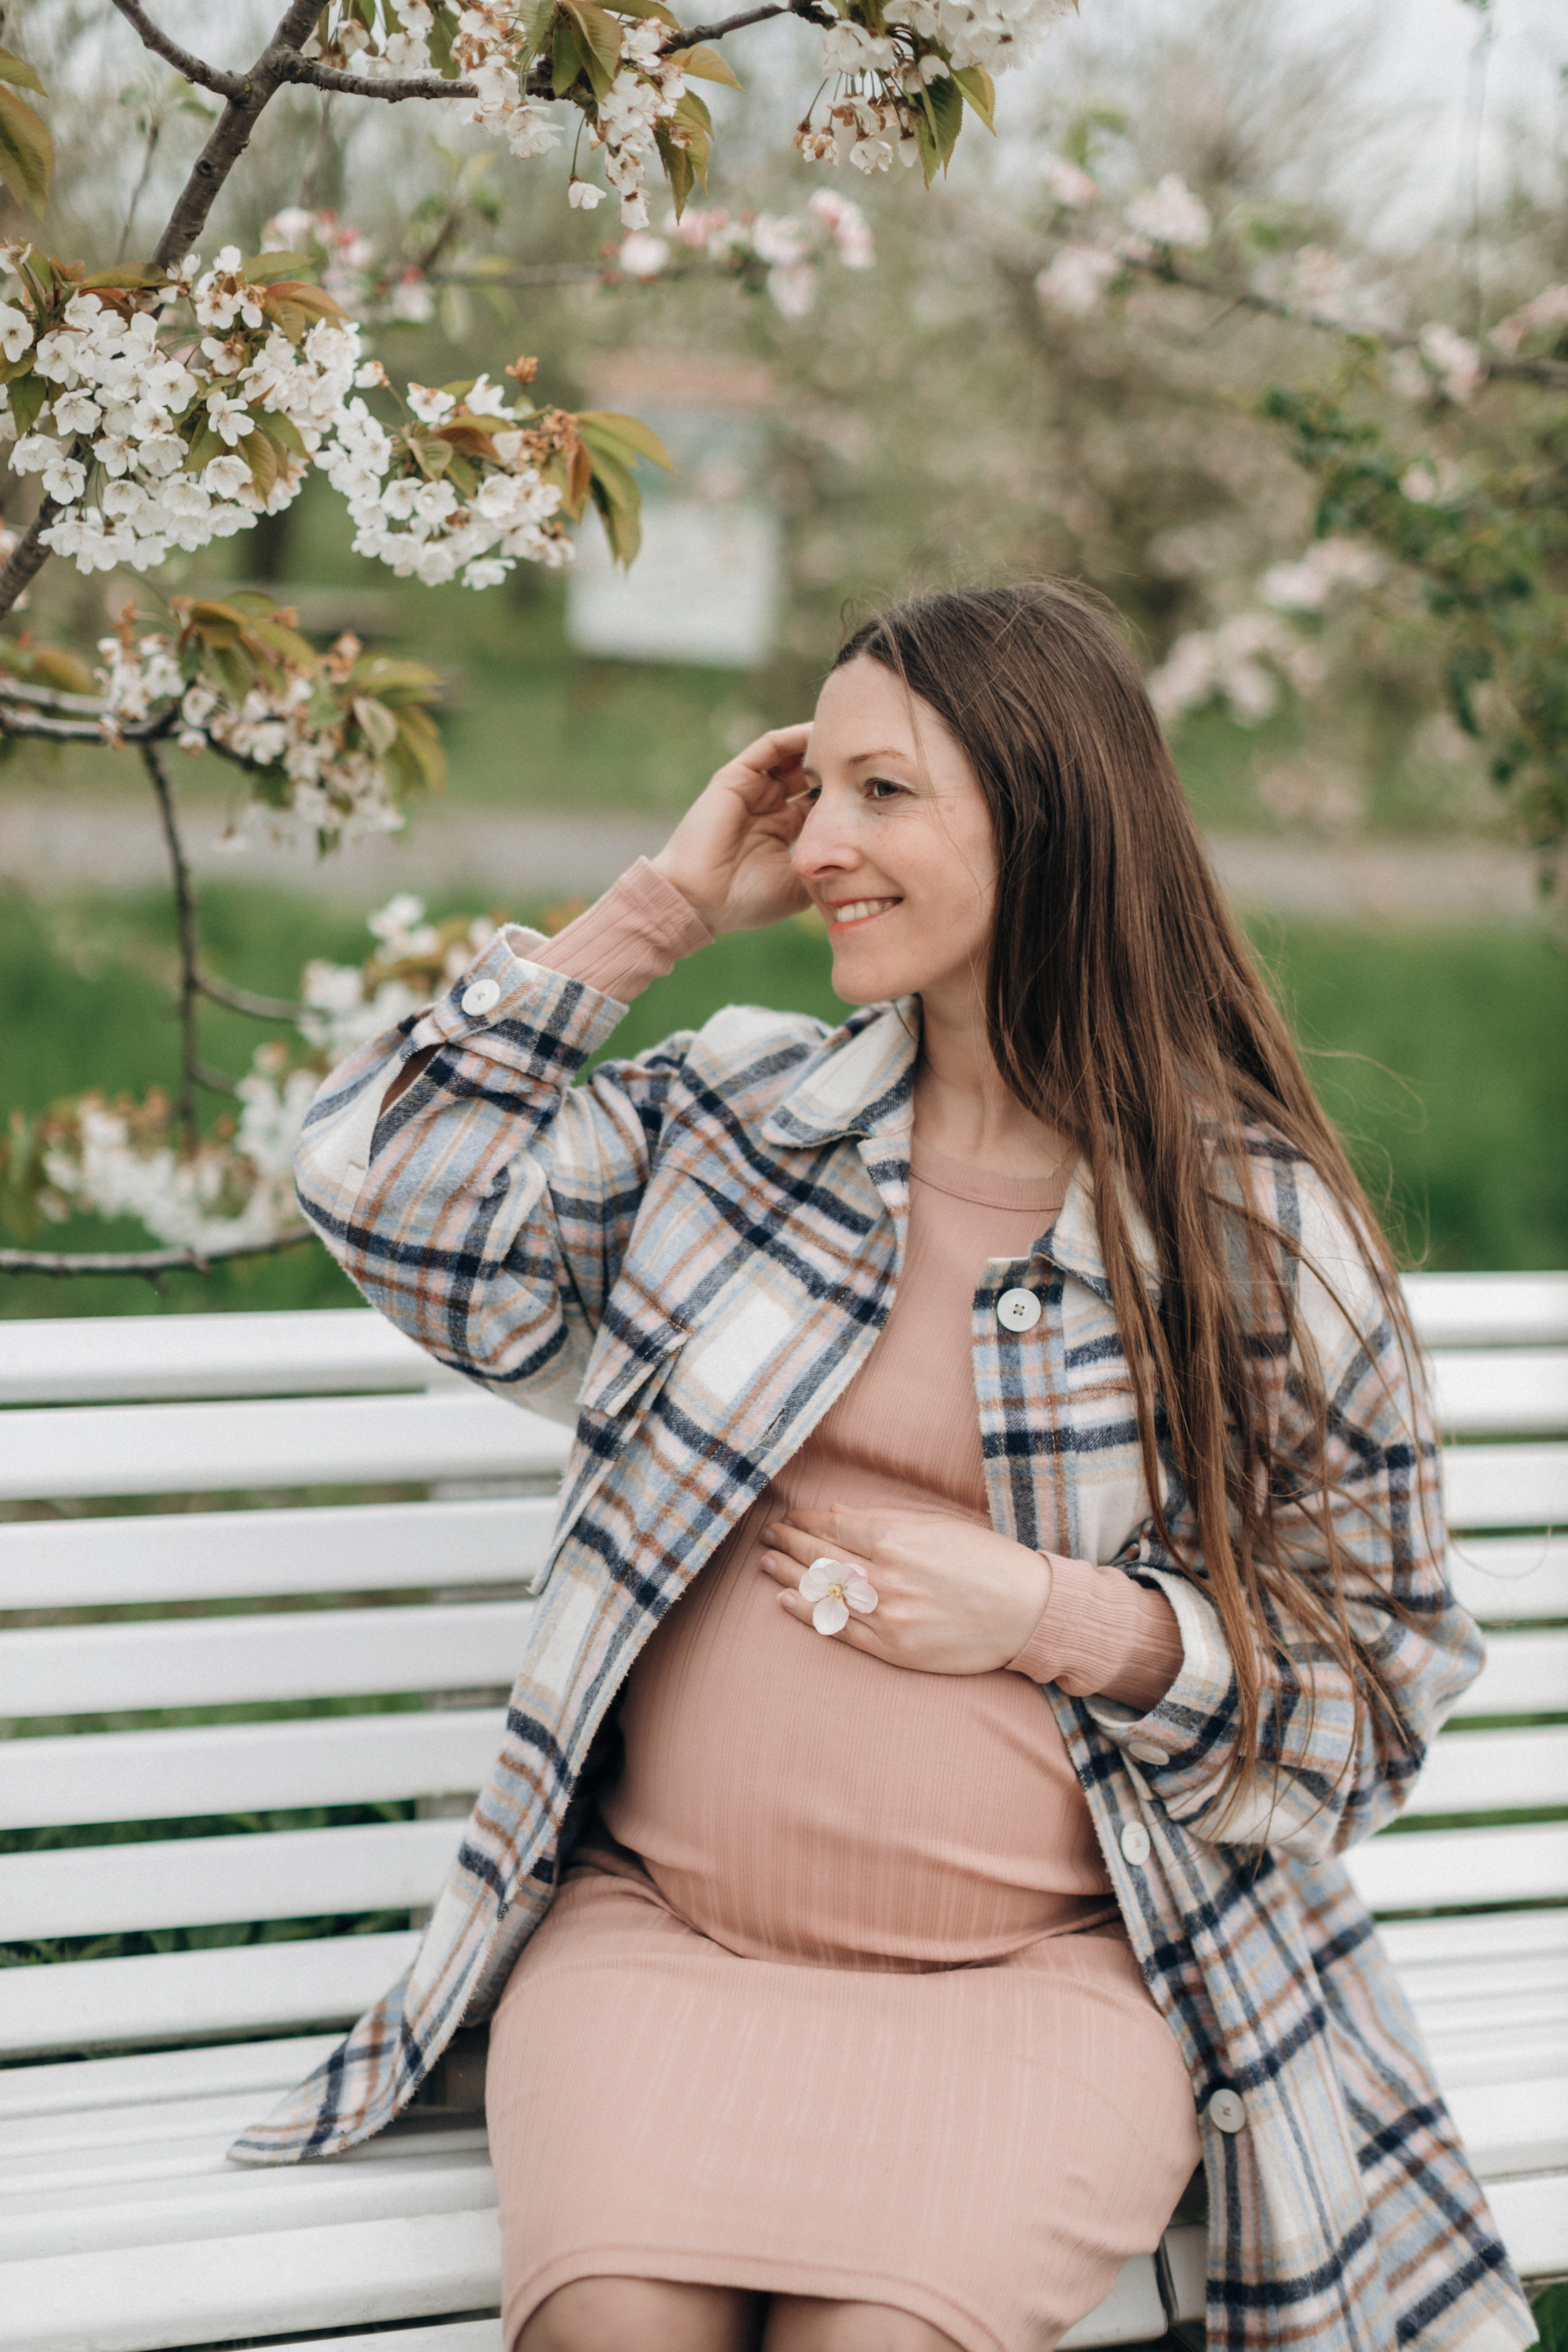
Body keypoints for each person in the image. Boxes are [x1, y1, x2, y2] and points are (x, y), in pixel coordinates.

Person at [234, 583, 1532, 2352]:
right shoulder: (741, 1127)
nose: (821, 842)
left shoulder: (1244, 1237)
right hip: (665, 1951)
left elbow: (1376, 1683)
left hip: (1047, 1989)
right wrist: (659, 914)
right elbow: (385, 1192)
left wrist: (1063, 1616)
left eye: (883, 794)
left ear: (1049, 812)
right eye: (810, 788)